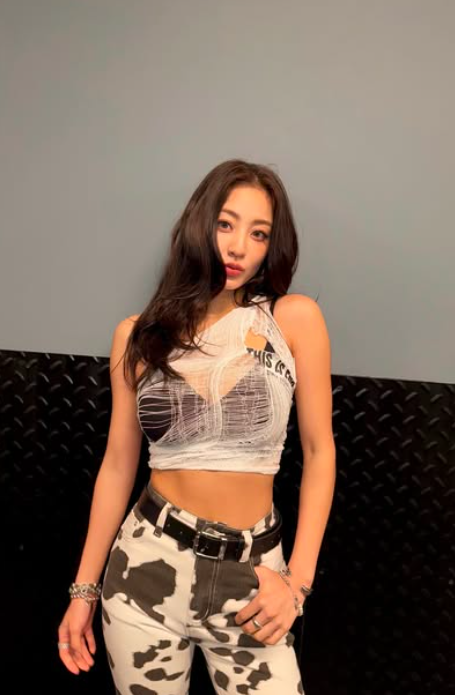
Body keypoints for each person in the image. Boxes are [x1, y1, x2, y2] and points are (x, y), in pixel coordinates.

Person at [58, 158, 336, 694]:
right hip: (145, 572)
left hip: (254, 580)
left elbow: (320, 452)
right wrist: (83, 591)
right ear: (199, 225)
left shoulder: (293, 319)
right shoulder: (139, 336)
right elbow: (117, 466)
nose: (238, 248)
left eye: (258, 234)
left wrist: (297, 584)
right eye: (225, 224)